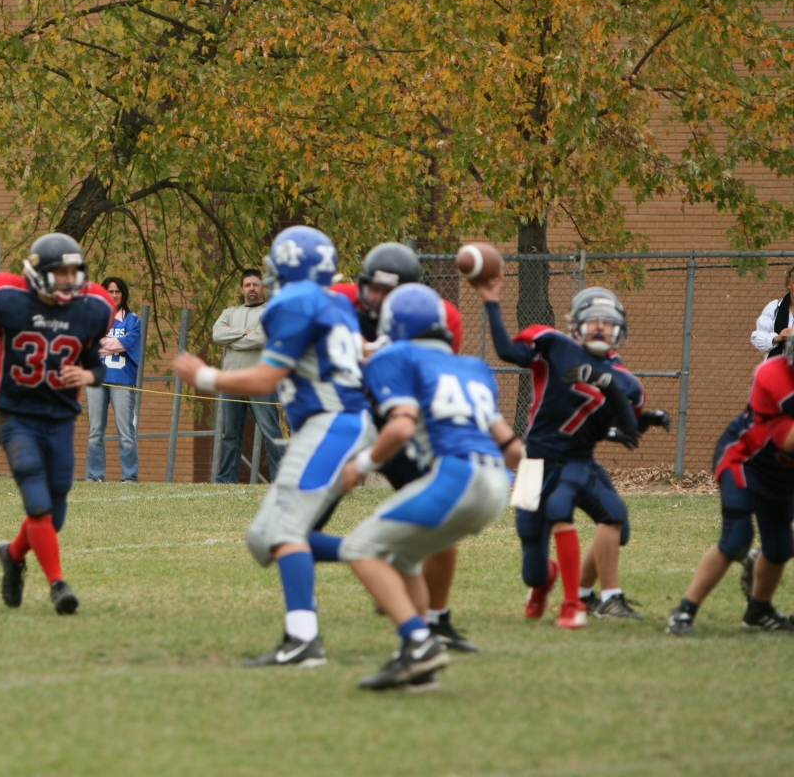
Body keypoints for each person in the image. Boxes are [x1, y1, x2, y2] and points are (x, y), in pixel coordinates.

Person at [175, 226, 374, 667]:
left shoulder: (294, 301)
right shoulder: (335, 301)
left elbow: (266, 378)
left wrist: (204, 376)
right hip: (337, 424)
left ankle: (303, 639)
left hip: (330, 424)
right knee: (264, 537)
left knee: (286, 531)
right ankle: (372, 553)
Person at [336, 284, 523, 690]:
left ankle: (419, 643)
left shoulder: (396, 356)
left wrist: (360, 465)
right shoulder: (472, 366)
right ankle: (420, 663)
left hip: (456, 477)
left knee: (358, 547)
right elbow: (511, 447)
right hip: (496, 484)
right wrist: (536, 490)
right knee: (405, 560)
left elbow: (401, 427)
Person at [0, 233, 114, 615]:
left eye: (73, 271)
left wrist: (88, 376)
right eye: (60, 272)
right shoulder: (10, 302)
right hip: (17, 415)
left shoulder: (89, 310)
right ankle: (58, 585)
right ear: (38, 273)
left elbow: (95, 364)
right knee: (36, 501)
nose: (68, 279)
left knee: (55, 511)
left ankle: (13, 555)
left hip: (61, 418)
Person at [479, 279, 669, 628]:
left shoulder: (625, 380)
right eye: (593, 319)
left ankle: (585, 599)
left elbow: (624, 428)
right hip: (532, 463)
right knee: (532, 567)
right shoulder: (554, 344)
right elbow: (508, 352)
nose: (600, 327)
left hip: (577, 460)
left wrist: (644, 418)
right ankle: (545, 584)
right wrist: (491, 300)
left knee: (611, 521)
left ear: (619, 329)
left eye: (607, 321)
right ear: (576, 323)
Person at [328, 243, 478, 653]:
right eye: (373, 289)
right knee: (303, 520)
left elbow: (430, 376)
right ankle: (303, 620)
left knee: (438, 519)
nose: (378, 299)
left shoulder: (440, 316)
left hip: (399, 421)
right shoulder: (340, 299)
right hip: (346, 415)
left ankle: (437, 618)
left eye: (390, 292)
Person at [668, 339, 794, 635]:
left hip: (784, 474)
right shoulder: (773, 373)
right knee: (737, 536)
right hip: (745, 460)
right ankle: (684, 610)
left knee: (779, 546)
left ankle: (759, 611)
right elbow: (787, 440)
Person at [211, 269, 286, 483]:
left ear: (263, 287)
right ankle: (227, 479)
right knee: (230, 434)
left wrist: (233, 340)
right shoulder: (229, 312)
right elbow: (217, 334)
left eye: (255, 284)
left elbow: (263, 338)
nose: (251, 288)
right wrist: (245, 332)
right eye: (247, 285)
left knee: (270, 432)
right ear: (242, 289)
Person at [86, 276, 141, 482]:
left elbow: (130, 342)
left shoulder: (132, 319)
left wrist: (104, 343)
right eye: (110, 291)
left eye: (118, 291)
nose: (114, 295)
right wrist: (117, 343)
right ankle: (95, 476)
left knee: (125, 431)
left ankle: (129, 477)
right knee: (95, 431)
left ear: (123, 294)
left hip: (122, 379)